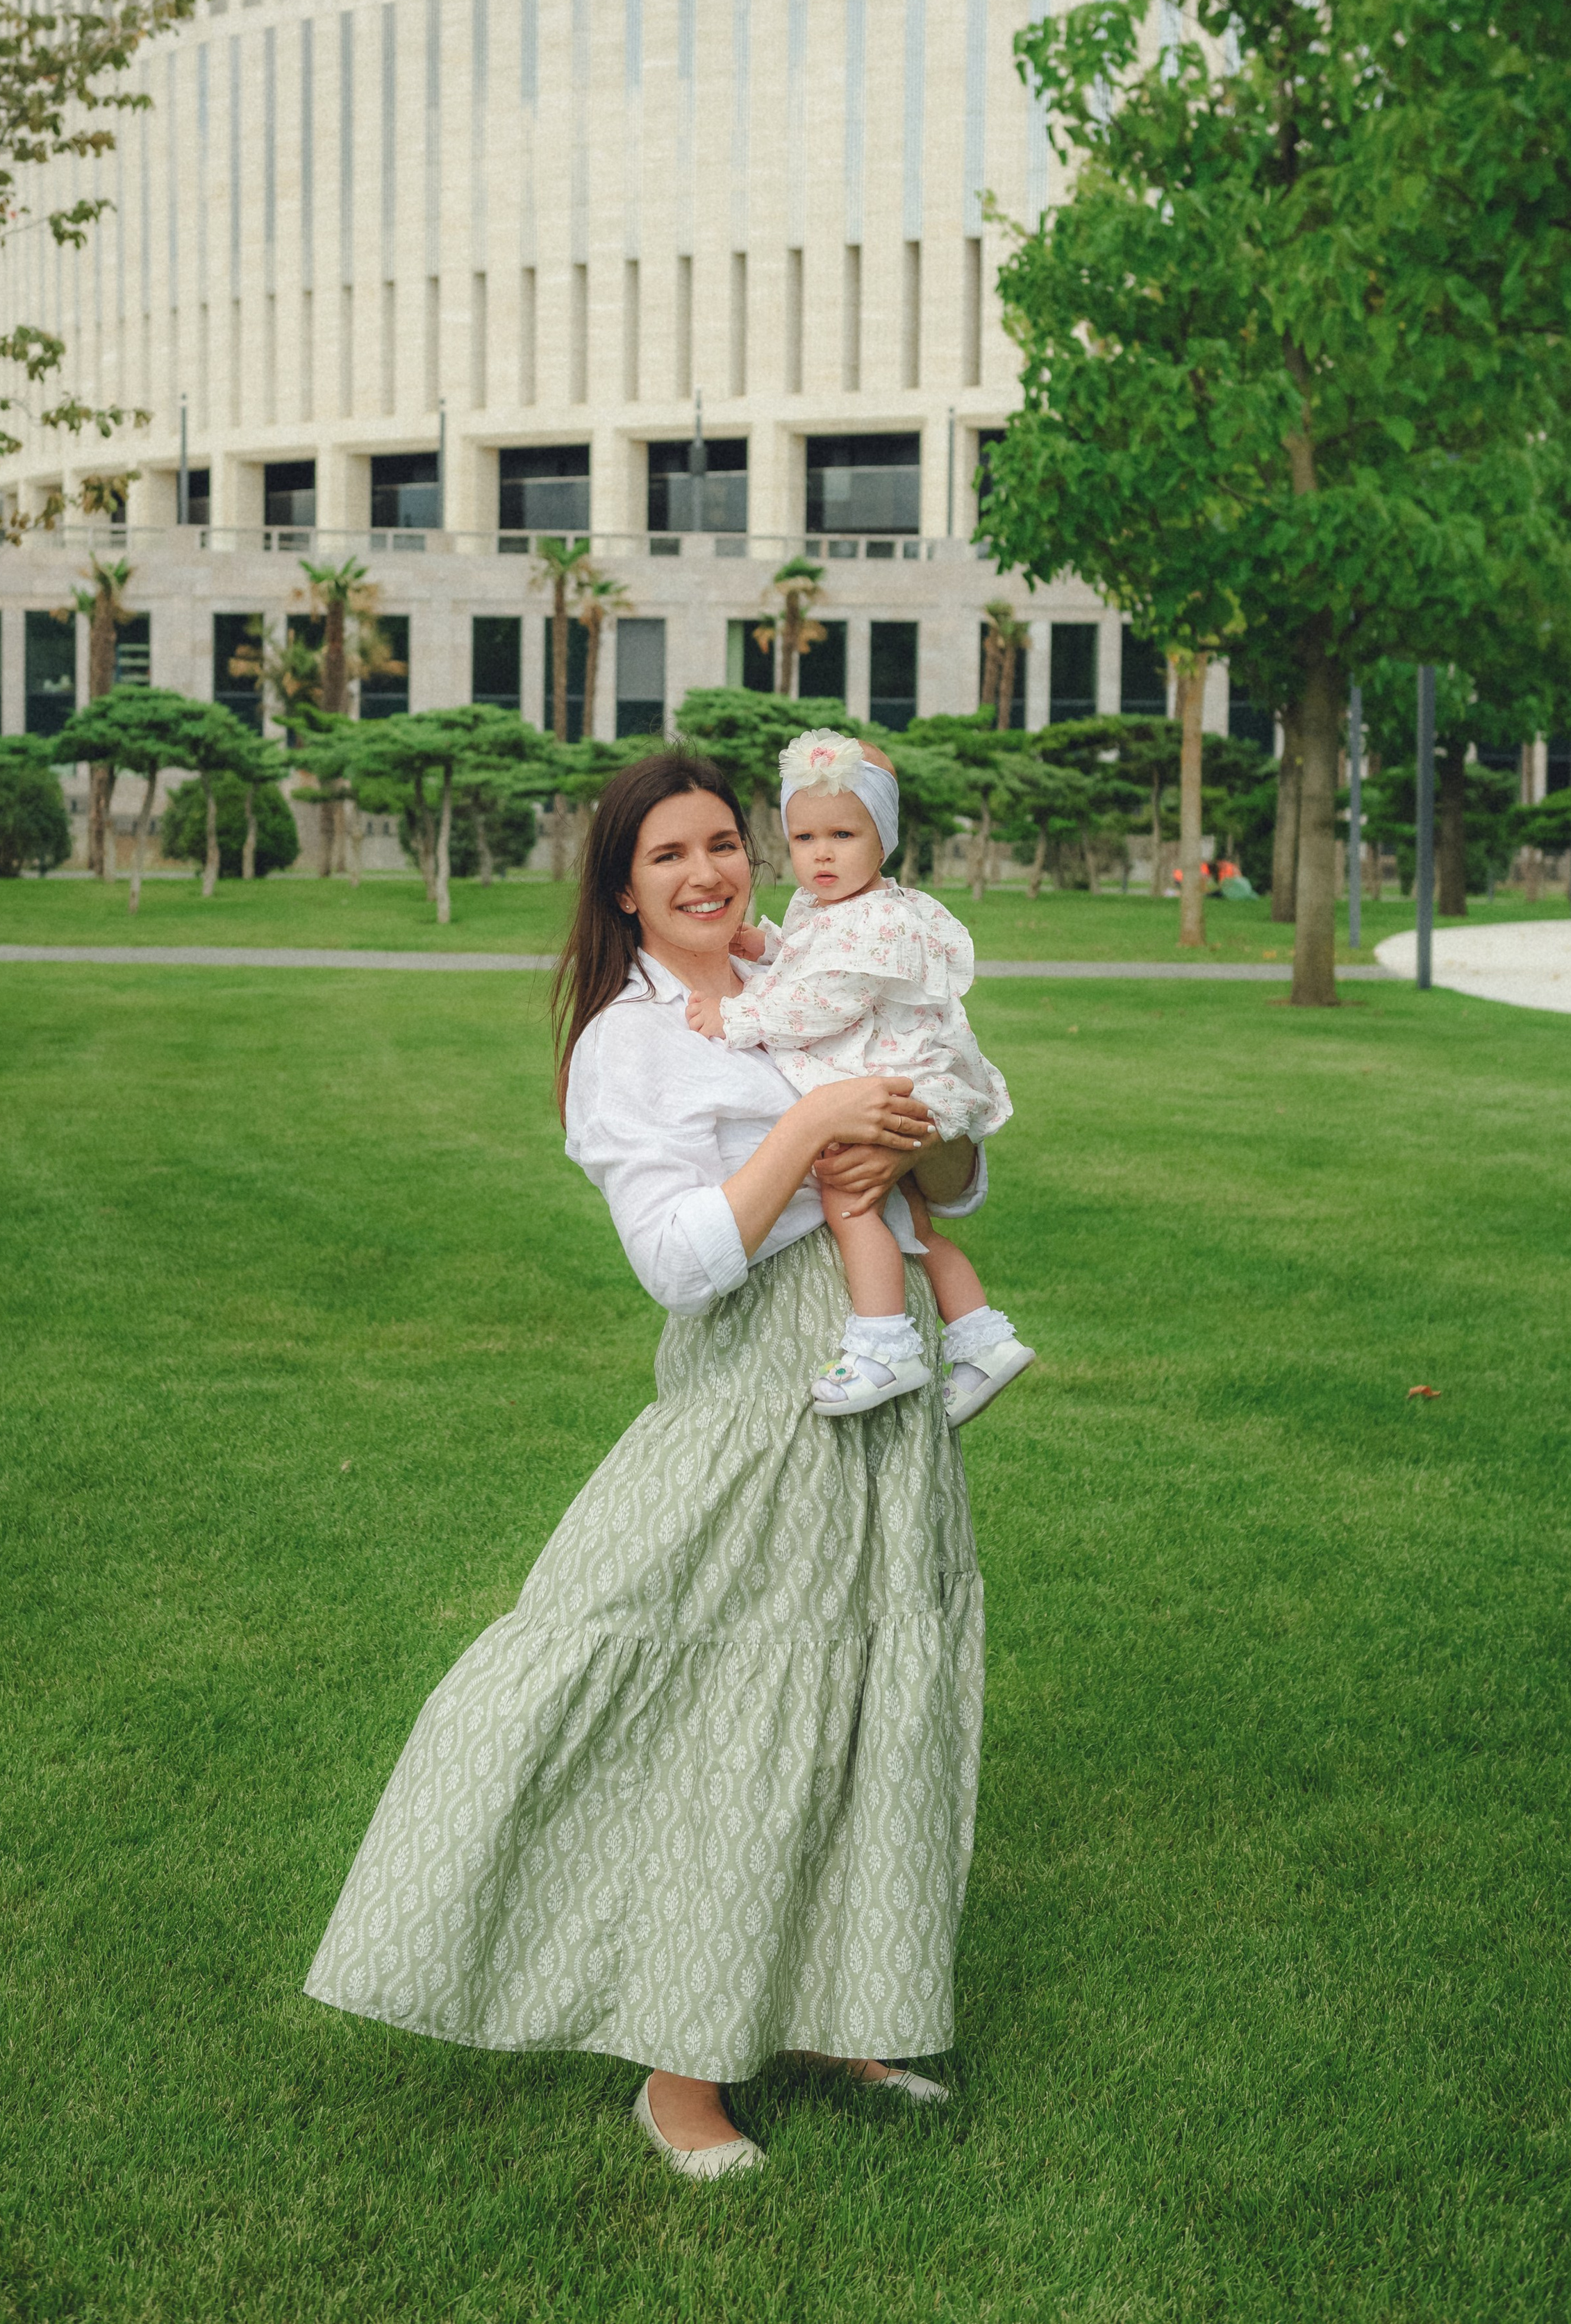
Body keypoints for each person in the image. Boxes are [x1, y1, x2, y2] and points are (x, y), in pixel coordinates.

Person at [305, 750, 992, 2181]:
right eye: (670, 853)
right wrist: (810, 1128)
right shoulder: (632, 1043)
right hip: (763, 1389)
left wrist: (905, 1144)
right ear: (623, 885)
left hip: (883, 1356)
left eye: (723, 842)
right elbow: (678, 1262)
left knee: (872, 1689)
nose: (708, 872)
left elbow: (952, 1165)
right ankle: (679, 2079)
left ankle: (839, 2013)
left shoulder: (808, 963)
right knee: (737, 1703)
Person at [684, 728, 1033, 1428]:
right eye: (804, 837)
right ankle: (984, 1338)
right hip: (896, 1076)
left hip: (894, 1082)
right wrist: (772, 944)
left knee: (848, 1196)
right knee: (915, 1224)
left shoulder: (879, 919)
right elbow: (815, 955)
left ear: (884, 839)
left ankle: (881, 1344)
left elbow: (827, 998)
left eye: (842, 834)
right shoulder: (836, 908)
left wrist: (738, 1013)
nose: (820, 854)